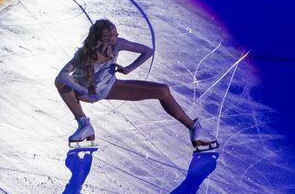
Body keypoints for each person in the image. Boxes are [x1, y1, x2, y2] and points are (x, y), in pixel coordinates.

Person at [54, 19, 219, 151]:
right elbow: (62, 75)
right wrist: (84, 90)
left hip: (106, 88)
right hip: (91, 92)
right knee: (163, 90)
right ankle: (84, 124)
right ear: (103, 38)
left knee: (162, 90)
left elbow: (148, 51)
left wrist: (128, 69)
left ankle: (194, 130)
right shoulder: (86, 52)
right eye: (114, 35)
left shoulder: (116, 44)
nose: (117, 36)